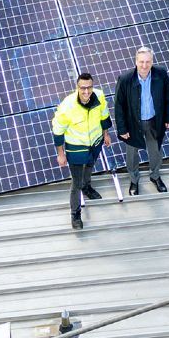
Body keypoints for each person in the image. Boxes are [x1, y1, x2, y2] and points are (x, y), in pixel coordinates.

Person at [50, 72, 110, 230]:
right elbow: (58, 131)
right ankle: (75, 214)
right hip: (76, 149)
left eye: (89, 87)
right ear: (77, 87)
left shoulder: (99, 96)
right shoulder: (67, 106)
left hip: (95, 143)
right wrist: (61, 154)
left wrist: (106, 134)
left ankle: (87, 187)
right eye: (82, 88)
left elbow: (104, 115)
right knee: (75, 183)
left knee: (90, 167)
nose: (86, 92)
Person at [114, 46, 169, 194]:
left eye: (148, 62)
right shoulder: (125, 79)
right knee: (132, 153)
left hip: (154, 121)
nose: (144, 65)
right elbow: (118, 105)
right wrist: (122, 128)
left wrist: (168, 117)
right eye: (141, 62)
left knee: (155, 151)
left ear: (152, 61)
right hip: (132, 123)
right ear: (136, 61)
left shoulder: (161, 74)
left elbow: (168, 97)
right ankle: (134, 180)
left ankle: (155, 176)